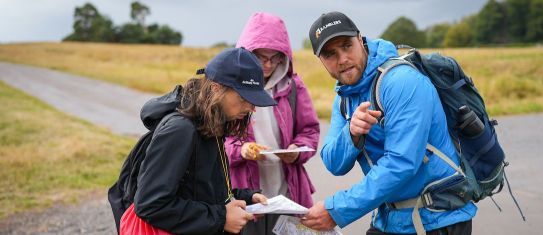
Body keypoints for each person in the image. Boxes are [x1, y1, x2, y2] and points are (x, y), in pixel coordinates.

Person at [300, 12, 476, 235]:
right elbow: (334, 163)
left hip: (437, 218)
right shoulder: (344, 97)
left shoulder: (401, 82)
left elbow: (401, 163)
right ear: (321, 60)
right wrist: (351, 133)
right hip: (390, 218)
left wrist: (337, 210)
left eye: (346, 46)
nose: (342, 59)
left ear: (360, 39)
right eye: (330, 54)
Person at [128, 47, 275, 234]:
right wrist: (221, 218)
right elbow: (150, 204)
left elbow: (198, 188)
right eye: (244, 97)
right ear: (216, 88)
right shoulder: (181, 130)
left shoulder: (212, 123)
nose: (252, 107)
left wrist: (246, 196)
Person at [225, 12, 320, 235]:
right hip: (244, 196)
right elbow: (215, 137)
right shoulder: (229, 87)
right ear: (246, 54)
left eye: (275, 57)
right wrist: (242, 150)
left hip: (287, 194)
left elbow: (310, 131)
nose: (268, 65)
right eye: (260, 57)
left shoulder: (293, 86)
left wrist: (296, 151)